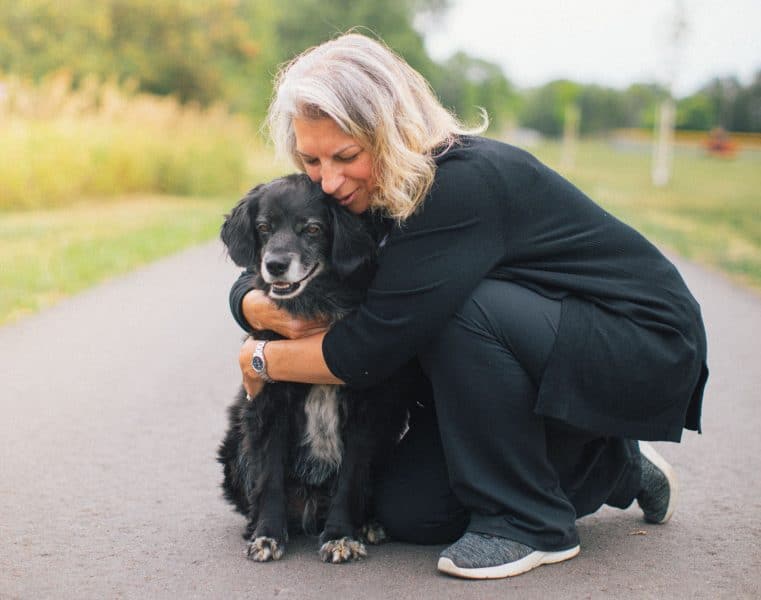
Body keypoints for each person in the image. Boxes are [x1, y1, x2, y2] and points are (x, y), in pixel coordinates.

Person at [228, 33, 708, 580]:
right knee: (409, 510)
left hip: (639, 344)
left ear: (393, 132)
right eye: (311, 160)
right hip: (543, 350)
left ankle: (529, 523)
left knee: (461, 310)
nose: (329, 181)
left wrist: (262, 360)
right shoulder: (374, 190)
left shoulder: (457, 186)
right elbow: (272, 257)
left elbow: (369, 350)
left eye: (346, 156)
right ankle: (609, 463)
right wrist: (249, 305)